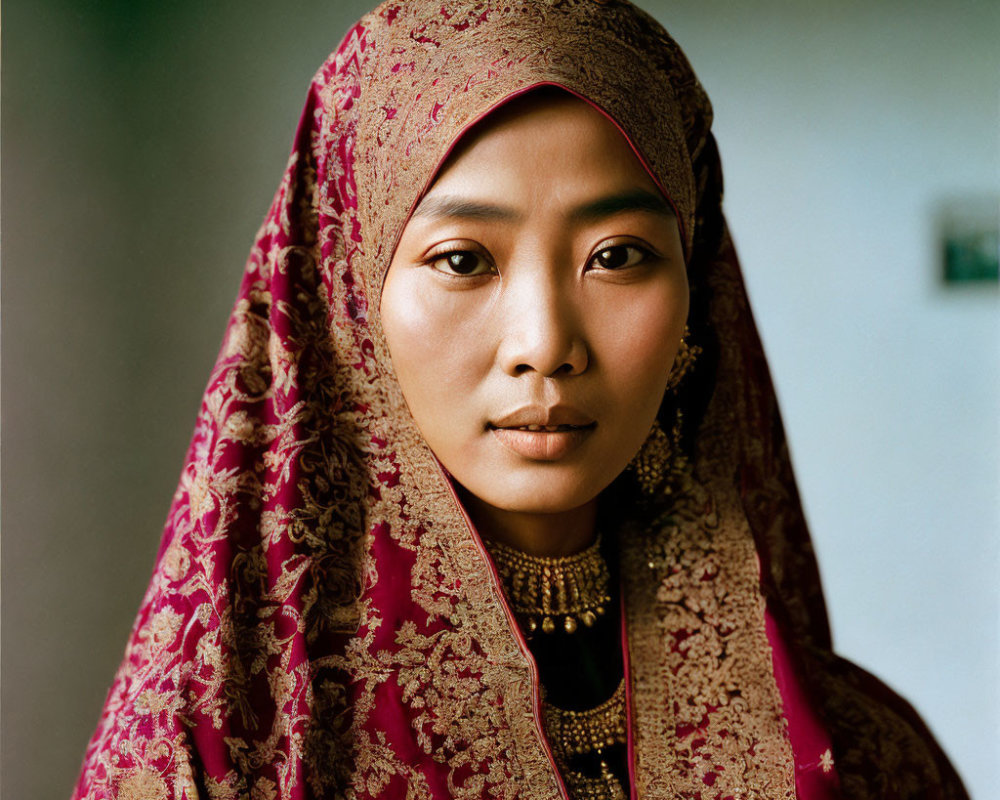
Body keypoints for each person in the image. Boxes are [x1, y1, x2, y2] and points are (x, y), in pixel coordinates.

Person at [71, 1, 969, 798]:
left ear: (695, 294)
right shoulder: (214, 760)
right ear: (348, 309)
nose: (545, 344)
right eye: (463, 260)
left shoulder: (867, 759)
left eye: (617, 256)